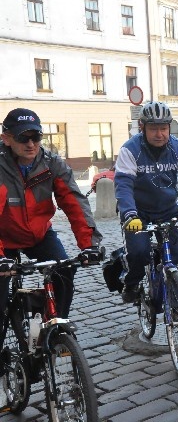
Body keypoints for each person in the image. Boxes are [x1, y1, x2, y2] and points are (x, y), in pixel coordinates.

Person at [0, 107, 103, 317]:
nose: (31, 144)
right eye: (23, 137)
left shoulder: (51, 163)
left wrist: (89, 245)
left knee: (64, 271)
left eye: (36, 136)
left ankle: (56, 328)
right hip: (3, 238)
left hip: (38, 235)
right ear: (7, 139)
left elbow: (74, 202)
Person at [114, 101, 178, 303]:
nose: (159, 134)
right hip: (138, 213)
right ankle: (132, 282)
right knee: (139, 253)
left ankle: (176, 302)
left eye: (163, 128)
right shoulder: (130, 150)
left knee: (177, 255)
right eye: (154, 129)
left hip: (168, 210)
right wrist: (130, 214)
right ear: (143, 127)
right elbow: (123, 186)